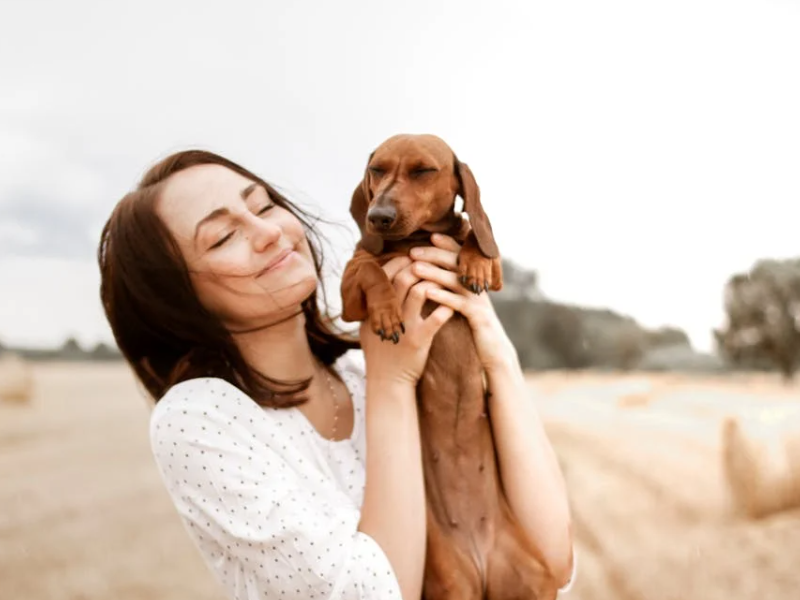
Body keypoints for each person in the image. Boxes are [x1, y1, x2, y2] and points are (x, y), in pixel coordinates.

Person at [98, 149, 576, 600]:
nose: (267, 233)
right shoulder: (199, 418)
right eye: (223, 237)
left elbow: (553, 564)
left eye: (263, 206)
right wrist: (391, 386)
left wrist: (496, 352)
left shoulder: (360, 368)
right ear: (175, 298)